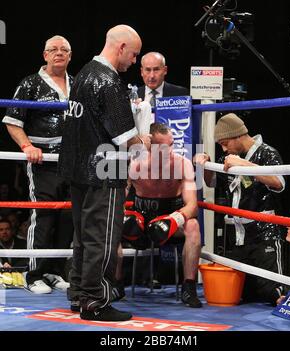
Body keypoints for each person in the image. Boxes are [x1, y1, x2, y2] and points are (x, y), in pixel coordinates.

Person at [58, 24, 151, 322]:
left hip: (78, 169)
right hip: (104, 171)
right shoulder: (109, 82)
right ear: (121, 47)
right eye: (134, 54)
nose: (134, 62)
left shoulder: (84, 73)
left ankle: (80, 295)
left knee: (84, 237)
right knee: (102, 237)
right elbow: (128, 141)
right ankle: (96, 301)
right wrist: (145, 141)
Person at [2, 35, 74, 294]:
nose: (58, 53)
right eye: (53, 50)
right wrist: (27, 146)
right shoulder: (30, 84)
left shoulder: (76, 84)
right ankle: (33, 275)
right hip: (42, 159)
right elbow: (12, 120)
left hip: (70, 158)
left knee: (67, 216)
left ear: (70, 55)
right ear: (44, 55)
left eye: (63, 50)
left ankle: (55, 271)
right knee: (42, 214)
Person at [194, 113, 288, 306]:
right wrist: (207, 165)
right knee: (237, 293)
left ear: (238, 136)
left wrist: (245, 165)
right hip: (238, 236)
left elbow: (279, 183)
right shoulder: (229, 157)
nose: (224, 148)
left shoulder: (268, 153)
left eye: (225, 142)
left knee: (273, 292)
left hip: (265, 233)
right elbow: (212, 182)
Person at [120, 122, 202, 308]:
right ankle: (115, 284)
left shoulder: (183, 164)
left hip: (170, 218)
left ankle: (188, 288)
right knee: (113, 223)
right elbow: (117, 201)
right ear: (150, 146)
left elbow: (192, 206)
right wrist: (122, 216)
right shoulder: (134, 164)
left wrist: (174, 219)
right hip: (139, 221)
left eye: (172, 144)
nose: (170, 150)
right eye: (164, 147)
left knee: (193, 226)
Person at [136, 51, 189, 288]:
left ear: (164, 70)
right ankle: (122, 280)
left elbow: (190, 127)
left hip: (173, 164)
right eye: (147, 70)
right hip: (139, 164)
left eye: (156, 69)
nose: (151, 75)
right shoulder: (130, 96)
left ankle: (179, 282)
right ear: (141, 72)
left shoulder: (180, 94)